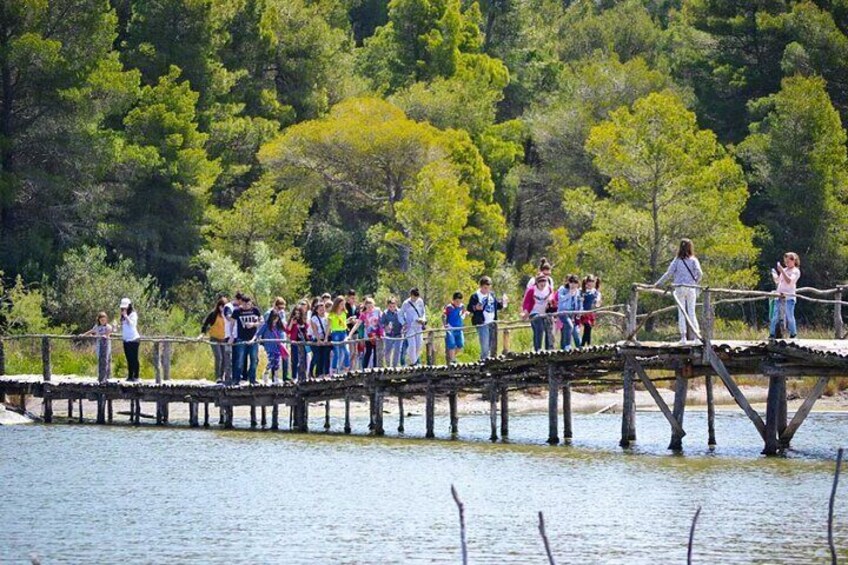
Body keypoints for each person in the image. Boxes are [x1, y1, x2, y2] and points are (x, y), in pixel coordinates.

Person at [654, 238, 703, 343]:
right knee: (692, 312)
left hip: (679, 287)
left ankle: (683, 337)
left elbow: (668, 273)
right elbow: (700, 273)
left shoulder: (677, 260)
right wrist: (695, 281)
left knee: (681, 312)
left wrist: (658, 283)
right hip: (691, 288)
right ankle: (696, 337)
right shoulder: (694, 260)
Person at [468, 276, 507, 359]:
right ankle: (483, 363)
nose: (487, 290)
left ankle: (490, 362)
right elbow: (469, 308)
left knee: (492, 345)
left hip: (492, 322)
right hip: (482, 323)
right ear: (481, 286)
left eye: (489, 288)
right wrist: (476, 307)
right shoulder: (475, 296)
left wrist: (503, 303)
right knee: (485, 346)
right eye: (485, 288)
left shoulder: (492, 295)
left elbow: (497, 306)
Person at [231, 296, 262, 385]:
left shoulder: (255, 310)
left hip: (253, 339)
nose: (246, 306)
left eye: (248, 304)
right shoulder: (237, 311)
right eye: (245, 304)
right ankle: (237, 379)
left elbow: (261, 321)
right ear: (242, 303)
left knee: (254, 360)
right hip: (241, 338)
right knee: (239, 360)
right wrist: (232, 336)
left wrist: (253, 324)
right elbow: (232, 324)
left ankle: (252, 379)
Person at [770, 252, 801, 339]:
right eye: (785, 261)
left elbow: (789, 281)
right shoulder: (785, 269)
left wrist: (782, 271)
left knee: (789, 316)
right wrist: (774, 274)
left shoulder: (796, 271)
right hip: (779, 296)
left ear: (793, 260)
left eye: (788, 261)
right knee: (775, 316)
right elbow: (777, 281)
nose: (786, 263)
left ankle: (793, 334)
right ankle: (772, 334)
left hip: (789, 297)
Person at [201, 296, 230, 384]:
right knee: (219, 357)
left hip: (224, 339)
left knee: (225, 358)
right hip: (214, 338)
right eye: (221, 307)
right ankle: (217, 377)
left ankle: (222, 376)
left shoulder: (228, 316)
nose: (222, 309)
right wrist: (202, 334)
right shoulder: (213, 314)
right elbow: (205, 324)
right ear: (219, 306)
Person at [522, 275, 555, 351]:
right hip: (534, 312)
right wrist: (525, 312)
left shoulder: (548, 289)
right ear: (537, 282)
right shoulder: (532, 290)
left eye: (544, 281)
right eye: (540, 282)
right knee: (539, 328)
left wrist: (551, 303)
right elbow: (526, 302)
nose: (542, 284)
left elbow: (552, 298)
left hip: (544, 312)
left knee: (548, 328)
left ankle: (548, 349)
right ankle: (538, 349)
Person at [349, 297, 383, 369]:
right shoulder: (364, 314)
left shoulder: (377, 311)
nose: (370, 308)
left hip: (377, 335)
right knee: (368, 352)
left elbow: (382, 321)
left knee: (376, 353)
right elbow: (357, 325)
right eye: (368, 307)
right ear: (365, 306)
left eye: (371, 306)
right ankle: (364, 369)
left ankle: (375, 368)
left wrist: (383, 332)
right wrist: (350, 334)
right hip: (368, 336)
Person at [256, 310, 288, 383]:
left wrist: (282, 342)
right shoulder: (266, 325)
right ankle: (265, 376)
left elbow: (282, 333)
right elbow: (258, 333)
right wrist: (255, 339)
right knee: (270, 362)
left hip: (277, 347)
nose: (275, 320)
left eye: (277, 318)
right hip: (269, 347)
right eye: (274, 318)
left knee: (277, 363)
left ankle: (276, 377)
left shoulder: (279, 325)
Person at [80, 312, 113, 379]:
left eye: (104, 320)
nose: (103, 321)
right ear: (99, 320)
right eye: (101, 320)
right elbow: (91, 331)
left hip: (106, 345)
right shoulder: (97, 326)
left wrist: (103, 335)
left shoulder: (108, 327)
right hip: (98, 345)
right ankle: (101, 375)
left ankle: (107, 376)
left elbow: (107, 334)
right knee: (100, 359)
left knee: (106, 359)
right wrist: (84, 334)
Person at [401, 288, 427, 366]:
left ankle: (413, 361)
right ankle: (414, 362)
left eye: (417, 297)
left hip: (418, 326)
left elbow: (423, 312)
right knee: (412, 345)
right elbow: (400, 314)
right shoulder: (406, 303)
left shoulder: (420, 301)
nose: (416, 298)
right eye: (414, 297)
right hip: (410, 327)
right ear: (411, 295)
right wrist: (403, 323)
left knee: (419, 344)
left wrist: (423, 320)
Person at [557, 275, 582, 350]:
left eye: (575, 282)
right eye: (571, 282)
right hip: (563, 313)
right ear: (569, 282)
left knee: (575, 332)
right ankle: (567, 346)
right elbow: (560, 299)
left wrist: (579, 313)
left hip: (572, 314)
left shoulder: (578, 291)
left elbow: (580, 303)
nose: (573, 284)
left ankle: (580, 348)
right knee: (569, 325)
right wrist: (569, 294)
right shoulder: (563, 289)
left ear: (578, 284)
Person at [119, 298, 141, 381]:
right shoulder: (123, 316)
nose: (124, 309)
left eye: (125, 307)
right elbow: (123, 326)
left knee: (134, 358)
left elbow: (132, 324)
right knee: (128, 358)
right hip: (126, 339)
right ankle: (130, 375)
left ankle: (136, 376)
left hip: (134, 339)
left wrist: (126, 316)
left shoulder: (133, 314)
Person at [443, 292, 467, 364]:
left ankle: (451, 356)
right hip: (451, 328)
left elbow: (463, 313)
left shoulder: (461, 306)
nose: (458, 303)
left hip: (459, 328)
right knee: (452, 344)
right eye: (457, 301)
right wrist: (445, 325)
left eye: (460, 301)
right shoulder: (449, 307)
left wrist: (464, 313)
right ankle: (453, 361)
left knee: (460, 344)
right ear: (453, 300)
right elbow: (443, 316)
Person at [328, 296, 350, 374]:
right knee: (336, 353)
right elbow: (329, 326)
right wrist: (326, 337)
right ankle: (334, 370)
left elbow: (343, 324)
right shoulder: (332, 314)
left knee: (347, 352)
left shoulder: (344, 312)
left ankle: (346, 369)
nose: (342, 306)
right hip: (335, 333)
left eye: (343, 304)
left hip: (343, 333)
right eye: (341, 304)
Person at [310, 300, 331, 378]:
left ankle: (326, 373)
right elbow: (315, 330)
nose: (322, 311)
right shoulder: (314, 318)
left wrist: (325, 339)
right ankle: (317, 373)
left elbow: (328, 327)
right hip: (317, 339)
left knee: (326, 355)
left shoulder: (328, 316)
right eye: (320, 309)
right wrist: (319, 340)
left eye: (323, 309)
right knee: (318, 356)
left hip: (326, 338)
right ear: (316, 310)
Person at [579, 275, 602, 346]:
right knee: (588, 326)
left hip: (591, 314)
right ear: (586, 282)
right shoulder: (582, 291)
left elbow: (598, 302)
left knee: (588, 329)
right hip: (583, 313)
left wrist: (597, 302)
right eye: (589, 281)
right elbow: (579, 301)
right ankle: (586, 344)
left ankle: (584, 345)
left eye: (592, 281)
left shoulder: (596, 292)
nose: (590, 283)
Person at [380, 297, 403, 367]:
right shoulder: (385, 313)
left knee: (397, 351)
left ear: (396, 305)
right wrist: (385, 327)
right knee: (387, 351)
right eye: (390, 306)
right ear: (388, 306)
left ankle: (394, 367)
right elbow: (381, 323)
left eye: (394, 306)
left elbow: (403, 322)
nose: (392, 308)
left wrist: (403, 327)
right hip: (389, 335)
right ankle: (388, 366)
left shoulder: (400, 312)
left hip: (398, 334)